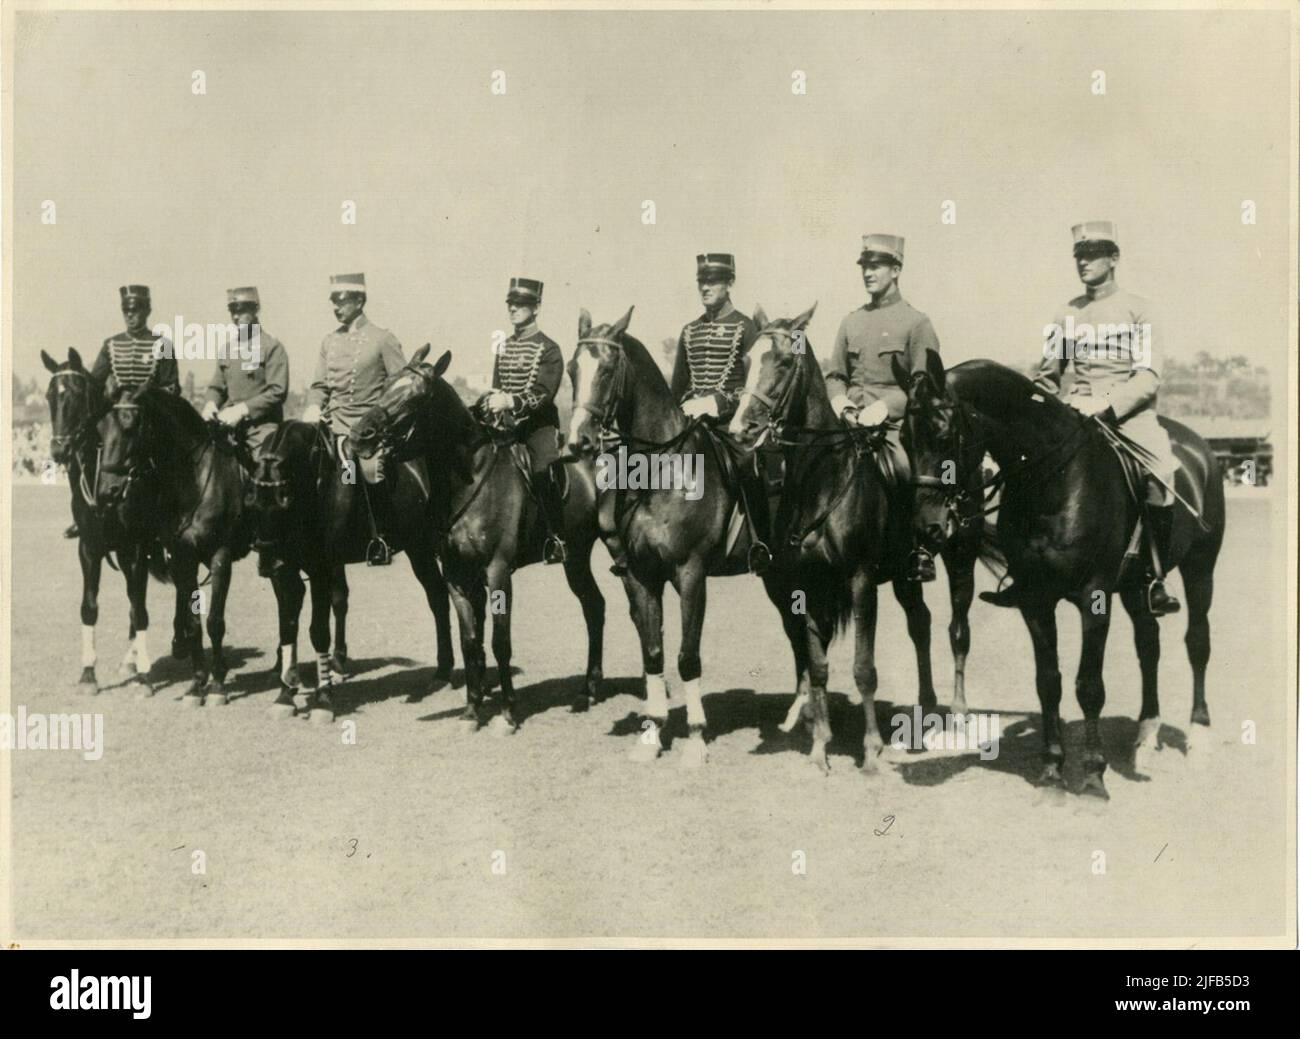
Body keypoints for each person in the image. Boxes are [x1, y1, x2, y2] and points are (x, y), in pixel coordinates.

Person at [981, 221, 1181, 615]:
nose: (1083, 262)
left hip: (1128, 416)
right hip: (1074, 411)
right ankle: (1022, 571)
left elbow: (1148, 377)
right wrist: (1047, 413)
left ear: (1114, 258)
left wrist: (1106, 404)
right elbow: (1046, 377)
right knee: (1024, 467)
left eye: (1092, 254)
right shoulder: (1065, 313)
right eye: (1079, 255)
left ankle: (1156, 576)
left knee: (1161, 473)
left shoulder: (1141, 309)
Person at [825, 234, 941, 582]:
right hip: (849, 423)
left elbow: (925, 387)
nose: (868, 273)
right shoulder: (851, 322)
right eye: (865, 267)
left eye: (876, 266)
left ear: (896, 269)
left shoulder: (916, 323)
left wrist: (885, 408)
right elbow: (835, 375)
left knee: (907, 471)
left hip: (892, 427)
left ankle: (915, 548)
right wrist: (841, 403)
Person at [301, 273, 407, 565]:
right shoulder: (329, 342)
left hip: (369, 430)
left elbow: (400, 386)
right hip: (335, 426)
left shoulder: (383, 339)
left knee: (371, 472)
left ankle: (383, 536)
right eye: (334, 300)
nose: (337, 306)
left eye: (343, 300)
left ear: (360, 300)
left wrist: (383, 418)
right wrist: (312, 408)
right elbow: (320, 385)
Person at [69, 285, 179, 538]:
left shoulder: (162, 345)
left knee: (167, 456)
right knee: (84, 447)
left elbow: (173, 388)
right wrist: (104, 393)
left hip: (149, 416)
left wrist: (149, 392)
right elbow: (95, 384)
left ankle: (168, 517)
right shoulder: (111, 345)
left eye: (136, 309)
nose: (131, 315)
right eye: (126, 310)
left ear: (147, 311)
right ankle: (84, 514)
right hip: (115, 417)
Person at [477, 277, 568, 564]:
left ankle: (555, 537)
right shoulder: (503, 346)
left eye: (521, 304)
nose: (514, 309)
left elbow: (543, 394)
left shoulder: (549, 348)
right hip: (505, 426)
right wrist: (490, 403)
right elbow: (496, 385)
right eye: (511, 304)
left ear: (536, 307)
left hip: (537, 427)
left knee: (543, 471)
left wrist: (511, 401)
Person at [202, 286, 289, 576]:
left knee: (266, 474)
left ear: (256, 310)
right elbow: (217, 384)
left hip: (260, 429)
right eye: (233, 311)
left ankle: (268, 546)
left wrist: (243, 410)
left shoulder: (272, 347)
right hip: (227, 428)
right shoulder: (228, 349)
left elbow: (277, 391)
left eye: (243, 310)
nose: (237, 316)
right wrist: (211, 403)